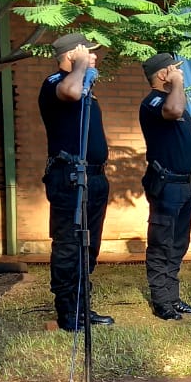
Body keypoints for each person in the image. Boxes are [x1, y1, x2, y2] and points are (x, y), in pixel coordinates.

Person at [39, 33, 113, 331]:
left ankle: (83, 305)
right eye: (88, 53)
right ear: (71, 56)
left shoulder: (84, 87)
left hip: (93, 177)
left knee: (88, 245)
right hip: (69, 177)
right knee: (69, 244)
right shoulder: (55, 82)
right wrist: (80, 67)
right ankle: (67, 311)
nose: (94, 57)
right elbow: (68, 93)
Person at [139, 53, 191, 322]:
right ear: (162, 75)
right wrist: (177, 83)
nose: (180, 73)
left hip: (184, 184)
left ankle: (173, 297)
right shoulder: (153, 101)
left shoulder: (171, 99)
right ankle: (161, 301)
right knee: (161, 243)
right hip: (166, 184)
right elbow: (174, 111)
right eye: (173, 70)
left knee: (178, 244)